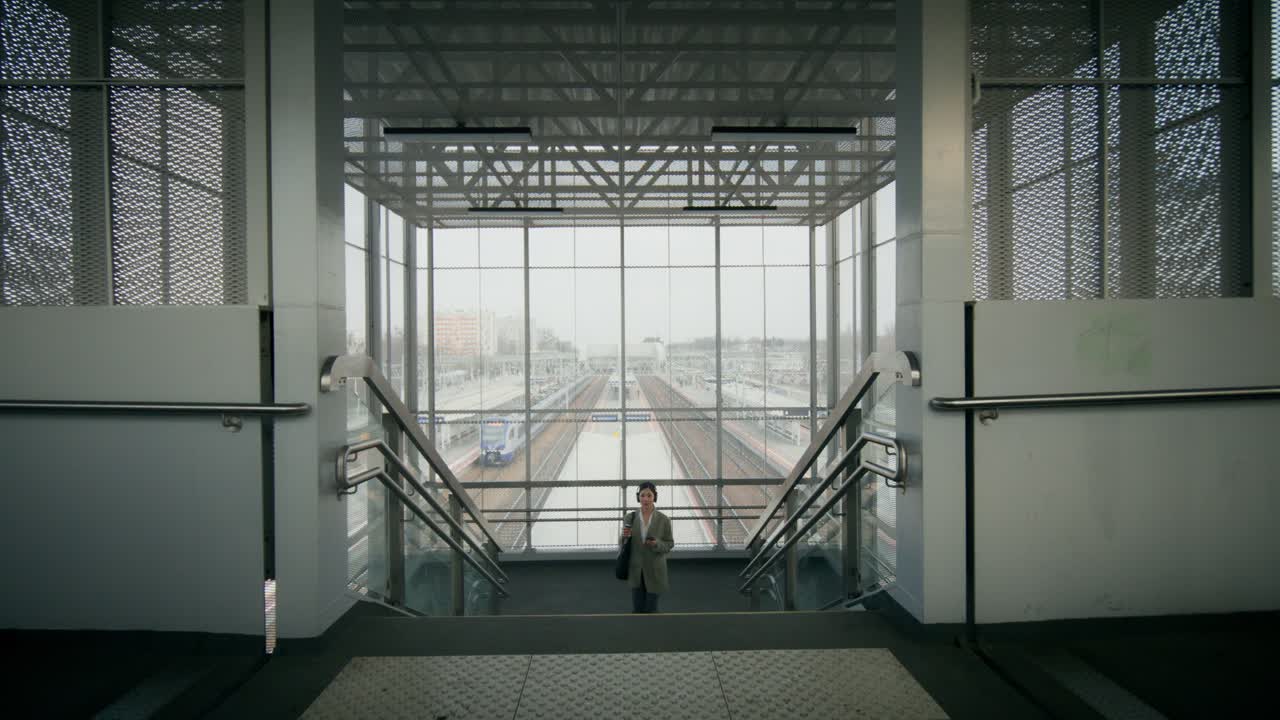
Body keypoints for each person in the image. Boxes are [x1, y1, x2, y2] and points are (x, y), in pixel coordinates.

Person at [620, 481, 674, 613]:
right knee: (637, 608)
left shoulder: (664, 520)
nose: (645, 499)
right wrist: (624, 537)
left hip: (655, 569)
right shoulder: (629, 518)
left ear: (654, 497)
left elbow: (669, 543)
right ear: (638, 497)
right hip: (636, 569)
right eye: (643, 495)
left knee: (652, 608)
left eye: (649, 495)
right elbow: (622, 544)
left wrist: (657, 544)